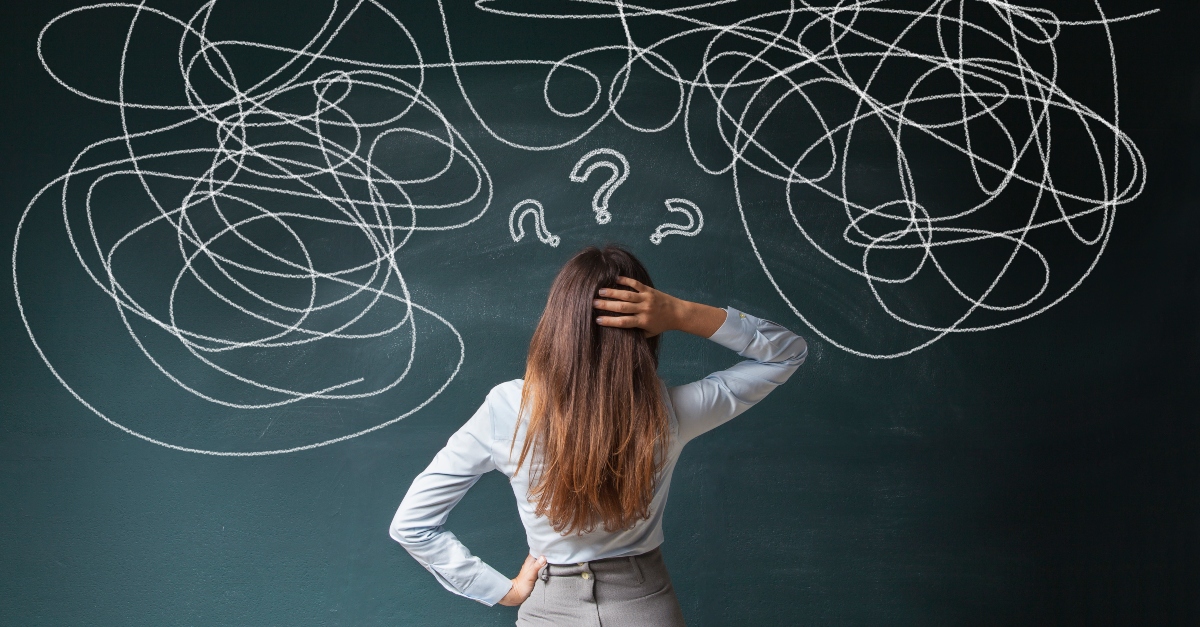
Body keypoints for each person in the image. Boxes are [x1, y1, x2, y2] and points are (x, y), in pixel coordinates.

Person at [389, 244, 808, 625]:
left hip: (548, 611)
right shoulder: (672, 412)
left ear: (558, 321)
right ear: (648, 327)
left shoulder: (507, 409)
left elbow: (412, 525)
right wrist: (680, 313)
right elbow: (787, 352)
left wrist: (505, 591)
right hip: (646, 605)